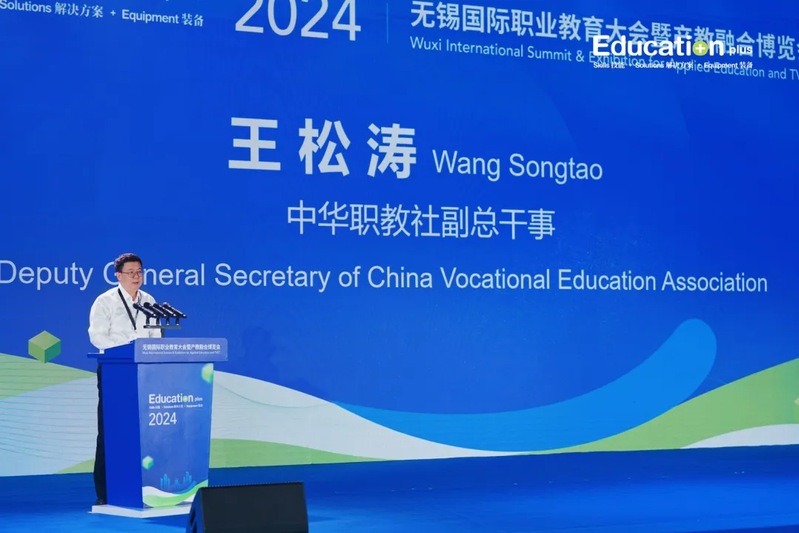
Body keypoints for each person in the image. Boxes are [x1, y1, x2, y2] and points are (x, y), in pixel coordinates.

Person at [88, 253, 162, 506]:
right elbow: (97, 337)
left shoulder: (149, 301)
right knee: (110, 430)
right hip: (115, 371)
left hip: (144, 371)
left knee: (143, 431)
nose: (136, 276)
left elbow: (155, 335)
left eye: (139, 271)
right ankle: (105, 491)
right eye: (130, 272)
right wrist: (127, 350)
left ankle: (142, 485)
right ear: (118, 275)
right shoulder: (105, 301)